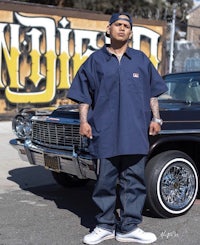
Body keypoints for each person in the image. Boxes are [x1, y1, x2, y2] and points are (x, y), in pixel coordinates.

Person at [67, 12, 168, 245]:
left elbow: (153, 93)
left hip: (135, 131)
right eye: (118, 25)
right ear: (108, 29)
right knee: (105, 181)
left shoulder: (141, 60)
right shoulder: (95, 61)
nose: (122, 29)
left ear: (131, 32)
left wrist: (157, 119)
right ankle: (104, 226)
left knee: (134, 180)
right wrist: (84, 121)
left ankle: (129, 227)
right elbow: (84, 96)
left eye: (126, 26)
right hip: (105, 132)